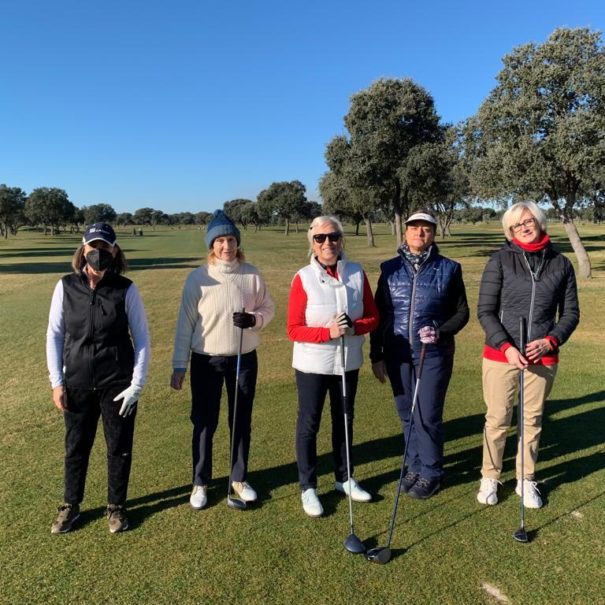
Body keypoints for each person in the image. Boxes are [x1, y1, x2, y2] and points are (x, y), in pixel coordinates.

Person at [46, 223, 150, 534]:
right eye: (93, 247)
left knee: (118, 447)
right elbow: (54, 335)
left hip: (117, 384)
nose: (98, 253)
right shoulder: (66, 286)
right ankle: (71, 505)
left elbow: (142, 338)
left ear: (114, 251)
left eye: (105, 248)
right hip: (76, 381)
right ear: (83, 249)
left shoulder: (125, 288)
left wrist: (136, 385)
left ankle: (116, 507)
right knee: (76, 447)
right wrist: (56, 381)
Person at [476, 201, 579, 508]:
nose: (524, 226)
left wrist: (551, 340)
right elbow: (485, 311)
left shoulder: (561, 263)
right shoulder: (500, 261)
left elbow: (571, 314)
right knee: (497, 419)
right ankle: (490, 476)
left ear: (540, 221)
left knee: (532, 420)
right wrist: (506, 347)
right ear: (509, 231)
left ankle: (526, 478)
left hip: (542, 356)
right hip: (500, 355)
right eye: (517, 224)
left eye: (528, 220)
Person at [170, 210, 274, 509]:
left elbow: (269, 308)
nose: (226, 246)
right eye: (220, 241)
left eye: (230, 239)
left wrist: (254, 319)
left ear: (237, 242)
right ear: (211, 246)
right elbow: (184, 324)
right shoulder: (198, 278)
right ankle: (200, 482)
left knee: (240, 420)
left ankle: (238, 478)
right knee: (204, 422)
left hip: (244, 359)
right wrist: (179, 366)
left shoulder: (251, 274)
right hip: (206, 361)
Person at [371, 210, 469, 500]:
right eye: (414, 228)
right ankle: (414, 465)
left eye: (426, 229)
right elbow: (380, 314)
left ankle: (432, 471)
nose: (419, 233)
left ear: (434, 234)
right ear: (405, 232)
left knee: (427, 413)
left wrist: (440, 329)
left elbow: (461, 312)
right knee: (406, 412)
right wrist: (376, 353)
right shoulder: (388, 268)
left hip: (433, 352)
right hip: (396, 352)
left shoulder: (450, 268)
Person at [287, 216, 379, 517]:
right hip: (312, 365)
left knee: (344, 421)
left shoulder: (355, 272)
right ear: (312, 242)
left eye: (334, 236)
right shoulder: (303, 277)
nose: (328, 243)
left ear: (341, 240)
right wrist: (327, 332)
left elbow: (373, 317)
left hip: (347, 362)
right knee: (309, 424)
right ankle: (308, 487)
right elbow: (293, 329)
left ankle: (344, 478)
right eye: (320, 238)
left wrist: (353, 327)